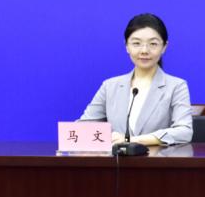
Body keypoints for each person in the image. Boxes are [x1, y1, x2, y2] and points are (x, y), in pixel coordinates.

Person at [79, 13, 193, 146]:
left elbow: (184, 131)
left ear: (164, 47)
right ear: (127, 46)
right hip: (116, 158)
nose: (144, 50)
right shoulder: (110, 86)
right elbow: (82, 127)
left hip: (156, 158)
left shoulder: (176, 86)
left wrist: (132, 140)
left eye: (153, 44)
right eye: (136, 43)